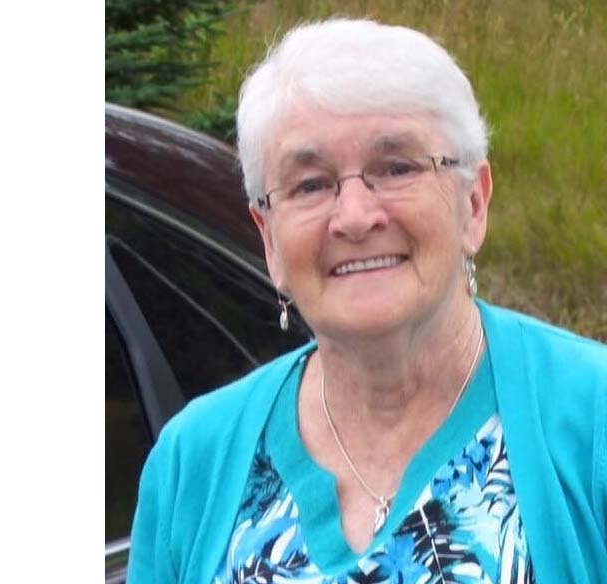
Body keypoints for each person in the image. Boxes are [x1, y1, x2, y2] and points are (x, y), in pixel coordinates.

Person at [127, 18, 606, 583]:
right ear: (269, 239)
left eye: (396, 167)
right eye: (309, 184)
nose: (354, 217)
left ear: (473, 204)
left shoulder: (590, 420)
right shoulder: (192, 460)